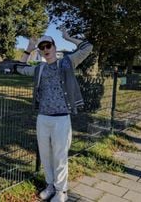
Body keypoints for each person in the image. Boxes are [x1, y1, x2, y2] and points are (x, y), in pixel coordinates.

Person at [16, 28, 93, 202]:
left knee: (60, 156)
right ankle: (50, 185)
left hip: (61, 119)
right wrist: (29, 49)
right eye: (41, 47)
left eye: (48, 45)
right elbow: (20, 68)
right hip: (43, 118)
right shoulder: (40, 69)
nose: (45, 49)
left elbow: (88, 47)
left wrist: (68, 37)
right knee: (45, 155)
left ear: (54, 46)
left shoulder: (67, 62)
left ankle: (61, 192)